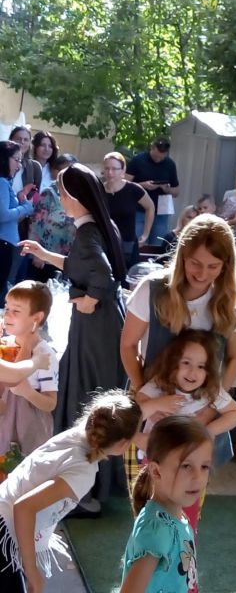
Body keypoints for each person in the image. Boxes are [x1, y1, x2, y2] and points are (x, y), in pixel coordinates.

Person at [19, 163, 128, 512]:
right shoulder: (96, 226)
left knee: (87, 396)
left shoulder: (87, 232)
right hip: (103, 324)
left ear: (79, 197)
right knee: (93, 394)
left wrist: (91, 299)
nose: (61, 198)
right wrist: (43, 253)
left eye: (64, 193)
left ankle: (89, 492)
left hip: (96, 326)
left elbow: (102, 275)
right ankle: (91, 487)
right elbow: (81, 265)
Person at [0, 389, 141, 593]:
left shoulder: (76, 435)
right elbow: (23, 508)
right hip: (5, 533)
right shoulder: (83, 472)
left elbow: (120, 417)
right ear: (123, 445)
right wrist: (32, 571)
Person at [120, 213, 236, 394]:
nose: (202, 274)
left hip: (203, 402)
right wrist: (143, 392)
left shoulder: (234, 298)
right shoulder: (152, 289)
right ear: (183, 257)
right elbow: (128, 345)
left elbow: (233, 357)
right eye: (195, 263)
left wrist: (215, 403)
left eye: (213, 266)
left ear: (226, 265)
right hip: (153, 397)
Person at [135, 330, 236, 533]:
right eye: (186, 363)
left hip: (190, 466)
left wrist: (208, 431)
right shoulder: (160, 385)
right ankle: (151, 546)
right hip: (157, 463)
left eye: (201, 366)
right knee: (152, 514)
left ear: (208, 371)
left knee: (186, 519)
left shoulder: (210, 392)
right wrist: (157, 405)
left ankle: (183, 549)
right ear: (173, 363)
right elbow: (136, 409)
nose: (193, 372)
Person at [121, 416, 212, 593]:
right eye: (186, 466)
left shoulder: (176, 515)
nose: (198, 477)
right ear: (156, 471)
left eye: (204, 467)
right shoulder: (158, 530)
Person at [0, 281, 58, 456]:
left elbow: (50, 403)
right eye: (6, 308)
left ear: (37, 318)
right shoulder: (4, 344)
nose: (7, 314)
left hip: (27, 429)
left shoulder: (44, 354)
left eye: (16, 311)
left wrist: (28, 392)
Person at [27, 153, 77, 283]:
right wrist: (36, 253)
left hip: (68, 260)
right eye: (64, 170)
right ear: (56, 172)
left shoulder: (79, 194)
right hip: (45, 258)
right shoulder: (50, 193)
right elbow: (35, 223)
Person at [102, 151, 155, 269]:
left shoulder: (133, 189)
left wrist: (145, 234)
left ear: (122, 170)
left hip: (128, 244)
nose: (110, 172)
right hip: (104, 242)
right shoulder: (98, 190)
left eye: (114, 169)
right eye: (107, 168)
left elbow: (150, 207)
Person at [126, 137, 180, 246]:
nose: (159, 159)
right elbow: (125, 184)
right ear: (152, 148)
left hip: (161, 212)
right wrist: (143, 185)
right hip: (139, 209)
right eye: (156, 156)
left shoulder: (170, 164)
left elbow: (176, 192)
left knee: (158, 244)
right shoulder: (138, 160)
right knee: (136, 243)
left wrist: (167, 189)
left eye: (162, 157)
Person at [0, 141, 34, 306]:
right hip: (3, 244)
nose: (19, 165)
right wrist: (26, 207)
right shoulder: (1, 182)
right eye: (16, 160)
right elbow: (3, 214)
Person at [8, 127, 41, 202]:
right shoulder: (2, 163)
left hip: (24, 207)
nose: (22, 142)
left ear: (30, 143)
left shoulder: (35, 167)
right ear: (10, 140)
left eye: (26, 140)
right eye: (18, 139)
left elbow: (36, 195)